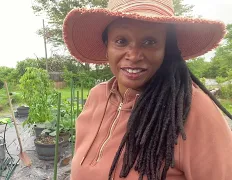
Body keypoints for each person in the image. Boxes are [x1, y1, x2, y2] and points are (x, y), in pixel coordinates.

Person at [62, 0, 232, 180]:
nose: (134, 55)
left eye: (150, 41)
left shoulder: (192, 110)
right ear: (107, 48)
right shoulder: (97, 96)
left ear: (167, 50)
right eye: (121, 41)